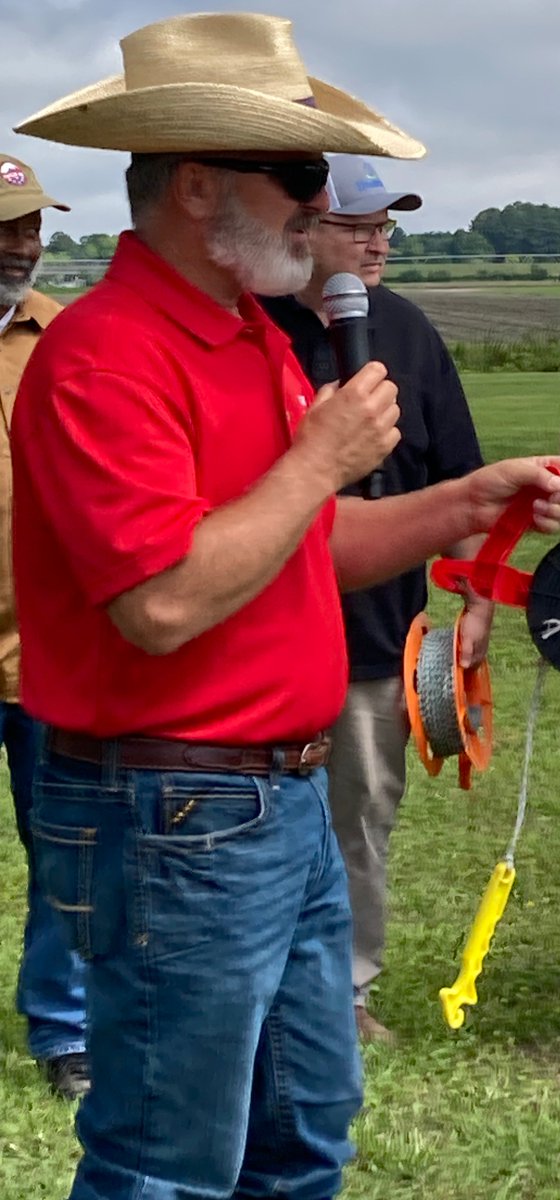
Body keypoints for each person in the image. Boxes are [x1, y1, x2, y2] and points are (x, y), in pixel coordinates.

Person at [10, 12, 560, 1200]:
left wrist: (463, 502)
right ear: (201, 186)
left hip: (271, 800)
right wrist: (317, 457)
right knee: (168, 1165)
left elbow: (300, 546)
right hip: (175, 808)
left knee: (303, 1139)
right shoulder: (103, 355)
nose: (321, 212)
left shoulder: (239, 336)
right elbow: (161, 603)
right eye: (301, 178)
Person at [260, 155, 493, 1045]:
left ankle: (345, 993)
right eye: (360, 225)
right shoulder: (256, 331)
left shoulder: (404, 326)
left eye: (386, 226)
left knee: (359, 817)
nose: (378, 241)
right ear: (302, 229)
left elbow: (457, 472)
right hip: (268, 626)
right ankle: (262, 994)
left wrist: (474, 602)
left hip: (377, 633)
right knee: (261, 822)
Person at [0, 152, 89, 1100]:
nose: (22, 244)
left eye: (31, 226)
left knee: (65, 847)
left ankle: (64, 1028)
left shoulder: (68, 337)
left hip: (45, 648)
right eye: (5, 227)